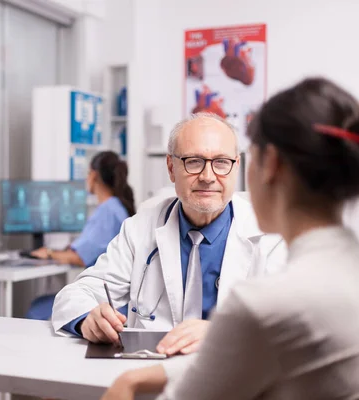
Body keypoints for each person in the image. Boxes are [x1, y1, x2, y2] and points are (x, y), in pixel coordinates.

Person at [102, 77, 359, 399]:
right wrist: (144, 376)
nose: (210, 176)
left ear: (271, 165)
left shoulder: (264, 305)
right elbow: (264, 357)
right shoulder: (345, 270)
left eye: (226, 162)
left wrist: (128, 384)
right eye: (194, 162)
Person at [51, 112, 286, 358]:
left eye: (221, 162)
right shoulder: (140, 229)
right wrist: (88, 318)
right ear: (171, 167)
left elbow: (293, 322)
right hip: (151, 374)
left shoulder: (271, 236)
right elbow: (76, 294)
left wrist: (222, 332)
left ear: (236, 167)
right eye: (194, 161)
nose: (207, 177)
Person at [25, 151, 135, 320]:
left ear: (94, 175)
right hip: (116, 300)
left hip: (107, 302)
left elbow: (80, 258)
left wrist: (48, 253)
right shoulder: (117, 207)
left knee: (37, 308)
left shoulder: (108, 210)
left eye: (87, 174)